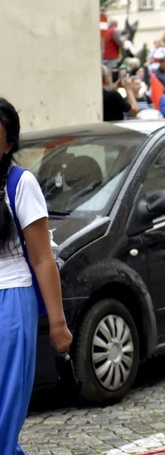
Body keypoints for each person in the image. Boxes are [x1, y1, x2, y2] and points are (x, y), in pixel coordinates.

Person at [0, 98, 73, 453]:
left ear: (8, 144)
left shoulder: (20, 184)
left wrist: (58, 324)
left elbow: (43, 259)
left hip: (11, 299)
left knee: (3, 413)